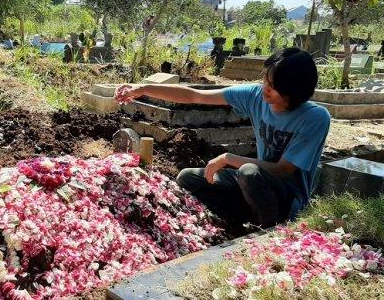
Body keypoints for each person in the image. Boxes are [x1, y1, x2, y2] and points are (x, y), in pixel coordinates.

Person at [121, 48, 330, 227]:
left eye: (273, 86)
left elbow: (283, 170)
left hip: (286, 195)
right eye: (265, 79)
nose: (265, 89)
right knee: (189, 178)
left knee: (248, 172)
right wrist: (142, 89)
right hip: (251, 183)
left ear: (293, 91)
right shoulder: (255, 95)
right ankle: (238, 220)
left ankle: (268, 230)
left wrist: (229, 158)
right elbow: (195, 95)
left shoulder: (314, 118)